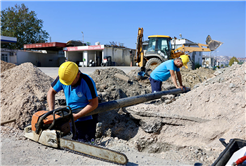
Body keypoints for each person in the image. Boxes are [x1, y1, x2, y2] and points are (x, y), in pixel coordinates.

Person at [47, 61, 98, 142]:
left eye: (70, 81)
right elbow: (51, 92)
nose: (68, 84)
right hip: (71, 117)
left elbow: (94, 103)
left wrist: (77, 115)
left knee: (85, 144)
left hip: (86, 118)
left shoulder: (87, 81)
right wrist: (51, 112)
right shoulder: (64, 77)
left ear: (78, 74)